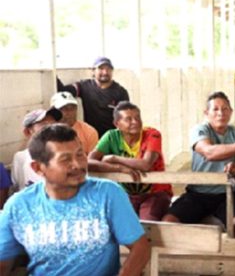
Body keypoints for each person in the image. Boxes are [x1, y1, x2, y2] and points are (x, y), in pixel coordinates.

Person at [0, 124, 150, 276]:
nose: (78, 165)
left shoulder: (107, 193)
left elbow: (140, 248)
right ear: (38, 168)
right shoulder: (19, 206)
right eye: (65, 159)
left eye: (80, 154)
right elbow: (2, 262)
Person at [162, 92, 235, 238]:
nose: (220, 113)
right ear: (206, 113)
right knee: (168, 223)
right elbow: (210, 153)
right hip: (197, 194)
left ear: (231, 112)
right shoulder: (200, 131)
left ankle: (231, 260)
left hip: (228, 193)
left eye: (225, 109)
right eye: (215, 109)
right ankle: (186, 258)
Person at [88, 101, 172, 221]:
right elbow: (88, 163)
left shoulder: (152, 134)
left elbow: (146, 165)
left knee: (147, 224)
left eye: (138, 117)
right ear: (117, 124)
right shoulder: (111, 136)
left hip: (155, 193)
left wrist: (114, 158)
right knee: (121, 224)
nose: (135, 122)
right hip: (126, 194)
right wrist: (119, 168)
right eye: (128, 119)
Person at [57, 56, 129, 137]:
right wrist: (54, 76)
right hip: (91, 136)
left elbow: (126, 118)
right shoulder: (84, 86)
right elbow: (64, 91)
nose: (105, 72)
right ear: (93, 70)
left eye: (108, 69)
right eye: (101, 68)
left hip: (112, 139)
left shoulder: (121, 92)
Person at [11, 108, 62, 192]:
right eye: (44, 125)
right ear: (28, 132)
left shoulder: (64, 156)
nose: (52, 129)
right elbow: (17, 188)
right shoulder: (20, 158)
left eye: (53, 124)